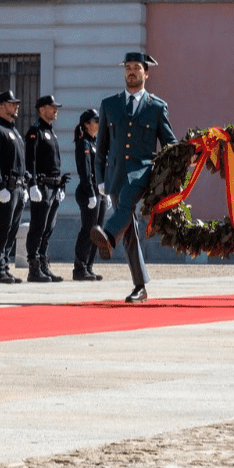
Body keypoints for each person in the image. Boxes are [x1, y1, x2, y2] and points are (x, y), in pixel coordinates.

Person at [89, 53, 176, 304]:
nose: (131, 72)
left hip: (143, 170)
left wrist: (185, 156)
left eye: (137, 68)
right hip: (115, 174)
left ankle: (107, 233)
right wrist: (100, 178)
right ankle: (140, 286)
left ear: (146, 73)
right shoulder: (109, 104)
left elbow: (169, 142)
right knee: (129, 231)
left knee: (127, 200)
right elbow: (101, 144)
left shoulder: (156, 106)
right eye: (128, 68)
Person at [0, 89, 27, 284]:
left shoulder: (14, 131)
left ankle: (4, 266)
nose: (16, 106)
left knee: (12, 229)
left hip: (17, 186)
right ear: (1, 107)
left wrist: (25, 183)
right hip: (6, 187)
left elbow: (20, 161)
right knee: (2, 228)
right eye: (12, 103)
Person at [24, 94, 68, 282]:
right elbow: (30, 160)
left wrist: (60, 185)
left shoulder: (50, 131)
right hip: (41, 187)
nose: (56, 110)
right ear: (42, 110)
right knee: (38, 227)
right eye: (52, 107)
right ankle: (33, 268)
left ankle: (43, 263)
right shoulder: (36, 131)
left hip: (53, 186)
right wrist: (32, 184)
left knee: (48, 228)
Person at [71, 108, 107, 281]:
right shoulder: (83, 143)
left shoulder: (94, 143)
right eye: (95, 121)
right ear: (86, 124)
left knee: (97, 231)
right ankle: (79, 268)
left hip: (98, 192)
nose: (98, 124)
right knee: (88, 230)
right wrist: (92, 193)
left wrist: (104, 191)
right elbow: (85, 172)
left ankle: (89, 266)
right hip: (88, 192)